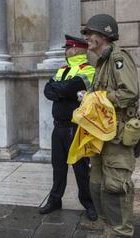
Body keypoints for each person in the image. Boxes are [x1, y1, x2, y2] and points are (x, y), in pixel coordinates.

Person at [81, 14, 139, 238]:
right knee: (97, 185)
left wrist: (99, 97)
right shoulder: (101, 62)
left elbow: (129, 93)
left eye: (89, 34)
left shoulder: (118, 59)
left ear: (102, 35)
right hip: (101, 134)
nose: (85, 38)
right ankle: (110, 234)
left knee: (116, 187)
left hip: (117, 136)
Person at [39, 34, 98, 221]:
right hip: (59, 128)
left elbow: (66, 89)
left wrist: (61, 90)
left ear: (75, 50)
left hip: (76, 128)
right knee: (58, 167)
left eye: (67, 48)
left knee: (81, 169)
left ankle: (89, 203)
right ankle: (55, 200)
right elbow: (48, 90)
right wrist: (62, 90)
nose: (65, 51)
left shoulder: (88, 69)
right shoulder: (62, 70)